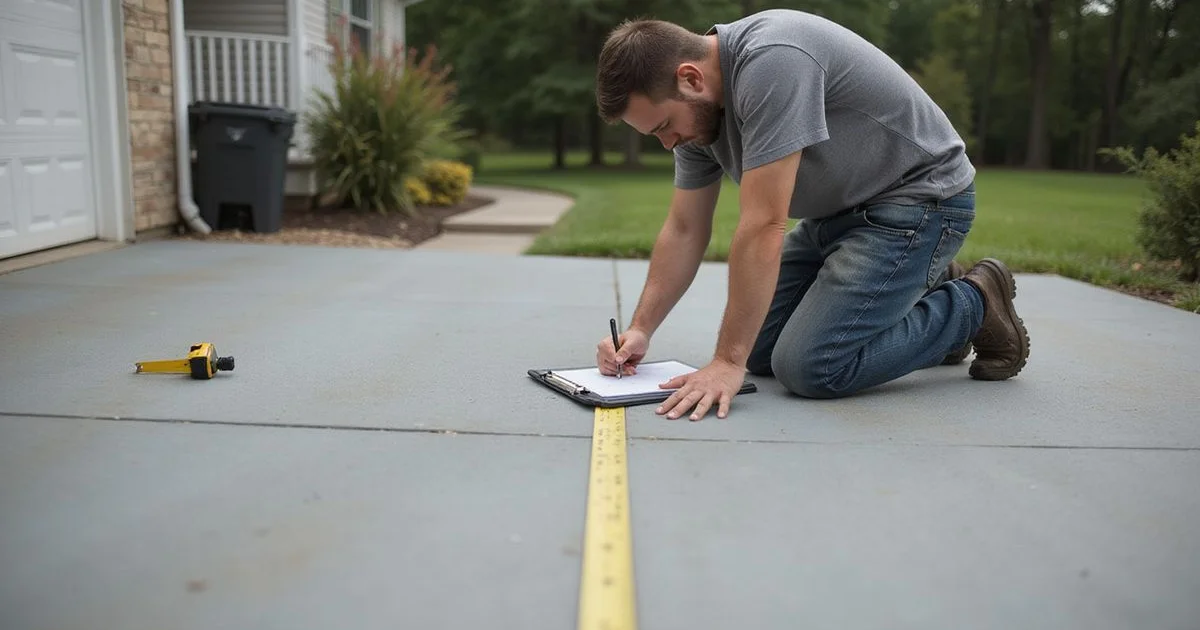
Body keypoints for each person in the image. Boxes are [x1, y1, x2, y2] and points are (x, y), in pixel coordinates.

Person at [592, 9, 1030, 421]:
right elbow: (685, 229)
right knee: (761, 353)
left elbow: (764, 223)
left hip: (918, 203)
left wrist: (726, 362)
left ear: (689, 78)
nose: (668, 143)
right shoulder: (699, 118)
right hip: (837, 216)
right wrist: (641, 328)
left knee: (812, 367)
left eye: (663, 127)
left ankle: (975, 302)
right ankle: (923, 277)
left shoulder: (772, 60)